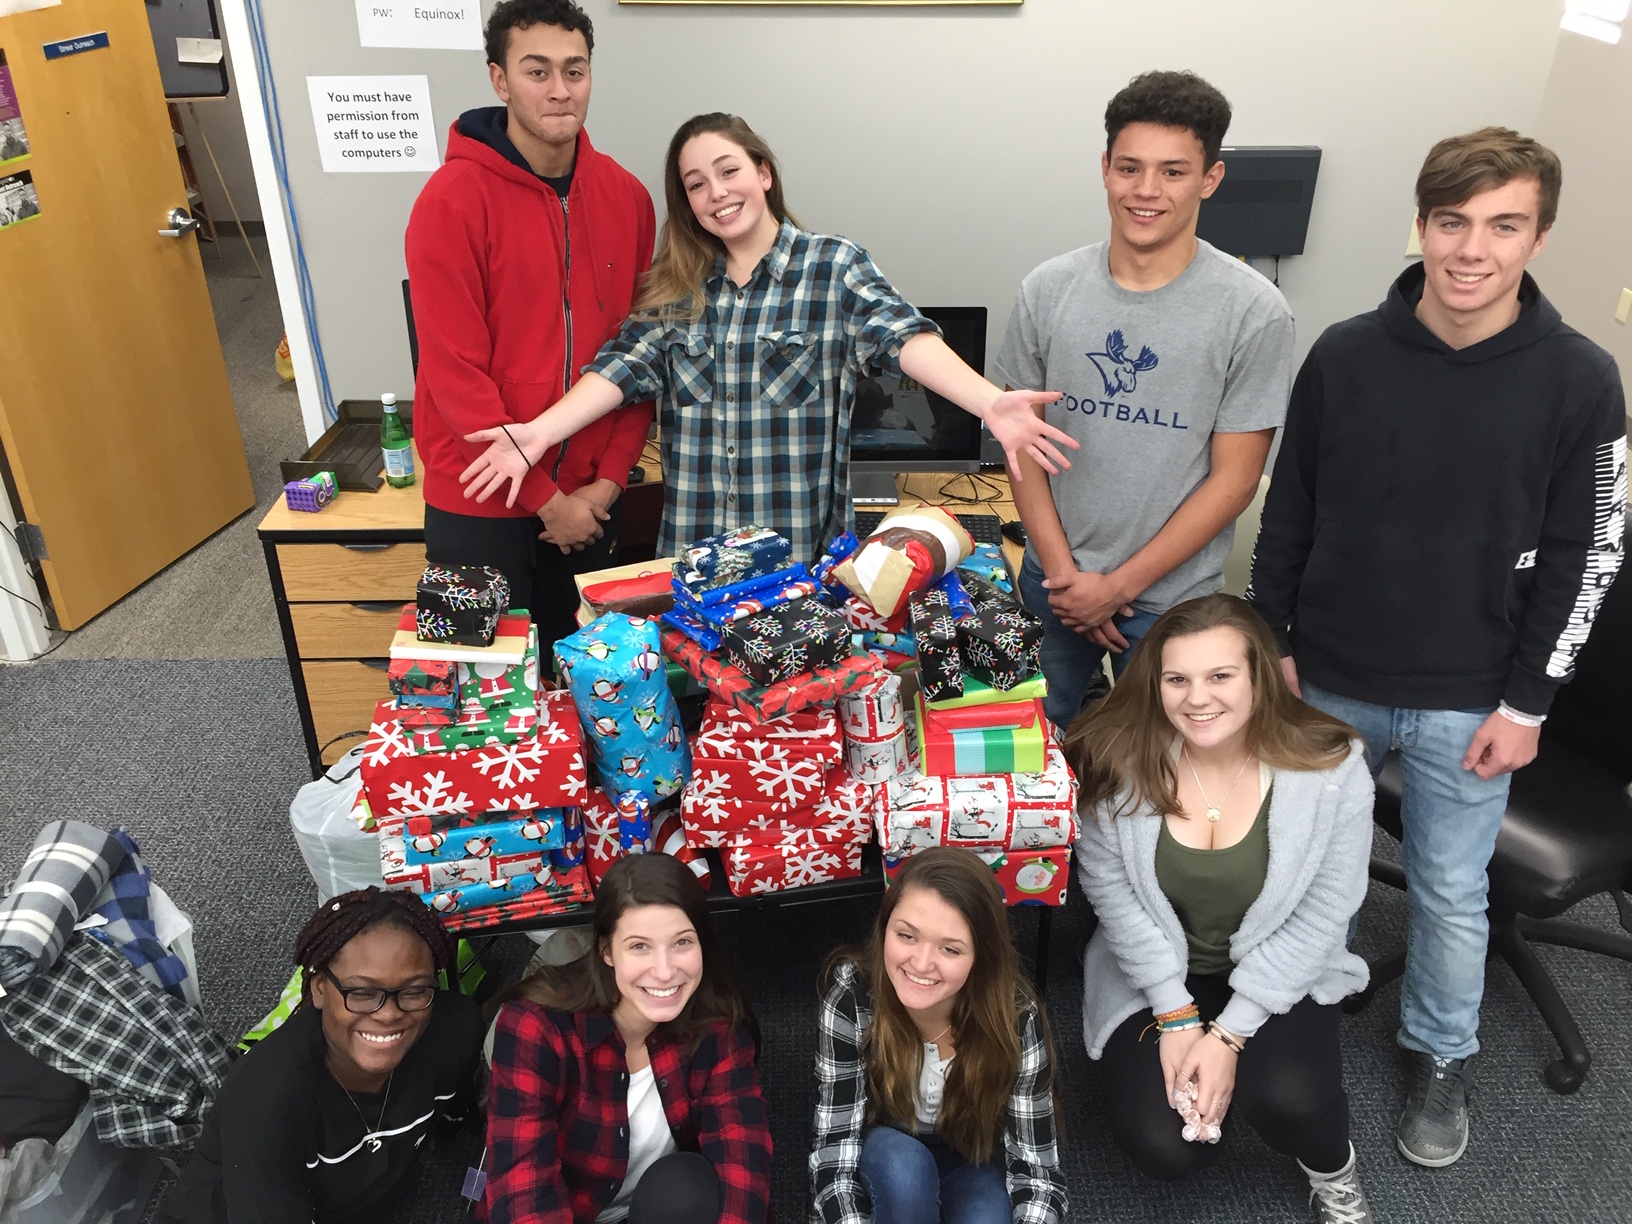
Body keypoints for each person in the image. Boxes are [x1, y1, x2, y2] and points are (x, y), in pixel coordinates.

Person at [1248, 127, 1627, 1168]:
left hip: (1475, 693)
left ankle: (1442, 1053)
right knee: (1303, 865)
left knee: (1454, 892)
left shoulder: (1582, 379)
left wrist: (1530, 704)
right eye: (1453, 221)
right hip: (1329, 672)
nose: (1473, 248)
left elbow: (1587, 553)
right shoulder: (1344, 353)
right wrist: (1271, 633)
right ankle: (1288, 1020)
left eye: (1504, 225)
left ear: (1538, 238)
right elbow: (1294, 504)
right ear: (1421, 225)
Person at [454, 112, 1077, 566]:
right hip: (694, 575)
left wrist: (988, 402)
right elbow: (618, 371)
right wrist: (540, 432)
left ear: (764, 172)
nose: (717, 192)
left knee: (793, 744)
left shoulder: (832, 267)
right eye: (696, 184)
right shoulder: (678, 290)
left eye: (728, 171)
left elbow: (902, 336)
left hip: (796, 578)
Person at [993, 71, 1295, 730]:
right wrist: (1070, 584)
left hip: (1170, 603)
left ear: (1209, 179)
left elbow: (1235, 482)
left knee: (1157, 780)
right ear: (1105, 169)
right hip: (1053, 586)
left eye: (1173, 172)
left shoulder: (1253, 312)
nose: (1147, 191)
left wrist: (1118, 588)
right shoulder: (1048, 290)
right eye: (1129, 167)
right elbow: (1022, 448)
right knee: (1031, 764)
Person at [1066, 594, 1375, 1223]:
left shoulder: (1333, 769)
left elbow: (1322, 917)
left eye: (1219, 676)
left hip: (1279, 971)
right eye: (1177, 679)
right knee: (1165, 1148)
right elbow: (1111, 893)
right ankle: (1215, 1090)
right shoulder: (1118, 758)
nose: (1196, 698)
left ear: (1259, 676)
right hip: (1158, 972)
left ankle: (1332, 1171)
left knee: (1293, 1102)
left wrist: (1230, 1035)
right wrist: (1176, 1015)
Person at [405, 0, 656, 650]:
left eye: (575, 71)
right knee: (484, 692)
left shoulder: (627, 198)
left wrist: (606, 484)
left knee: (592, 684)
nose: (559, 90)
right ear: (500, 80)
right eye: (536, 71)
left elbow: (638, 353)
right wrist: (548, 501)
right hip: (479, 500)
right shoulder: (450, 202)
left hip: (590, 496)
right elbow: (456, 378)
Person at [160, 889, 483, 1224]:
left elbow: (453, 1119)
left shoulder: (456, 1033)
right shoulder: (265, 1097)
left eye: (414, 990)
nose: (388, 1014)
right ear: (318, 988)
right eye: (361, 993)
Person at [483, 853, 770, 1224]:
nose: (665, 971)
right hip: (564, 1213)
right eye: (639, 946)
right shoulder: (535, 1026)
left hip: (656, 1207)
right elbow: (522, 1185)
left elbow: (742, 1159)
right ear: (606, 951)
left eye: (682, 942)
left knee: (689, 1188)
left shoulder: (716, 1023)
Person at [809, 847, 1066, 1224]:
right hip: (886, 1146)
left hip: (971, 1154)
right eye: (907, 936)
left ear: (982, 956)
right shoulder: (853, 995)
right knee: (904, 1173)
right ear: (885, 927)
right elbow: (835, 1155)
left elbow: (1038, 1173)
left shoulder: (1016, 1015)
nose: (921, 963)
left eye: (950, 948)